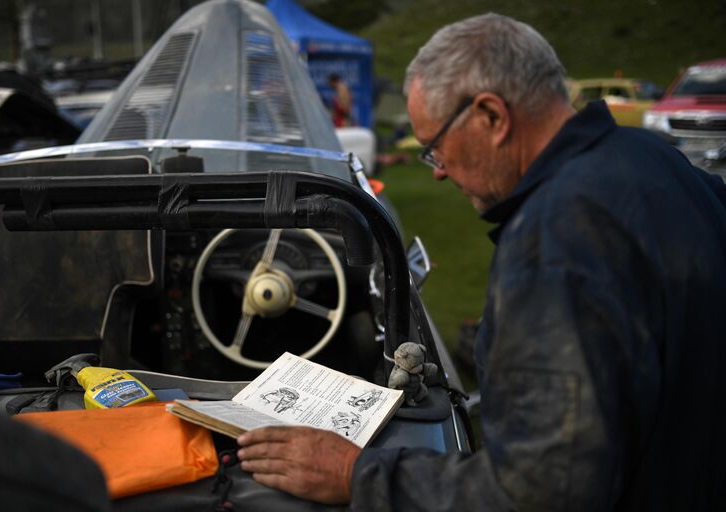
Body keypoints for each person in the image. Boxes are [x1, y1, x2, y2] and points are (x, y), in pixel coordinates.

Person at [238, 13, 726, 510]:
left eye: (436, 148)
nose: (439, 173)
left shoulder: (556, 239)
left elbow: (544, 490)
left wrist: (357, 474)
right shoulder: (655, 159)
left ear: (492, 116)